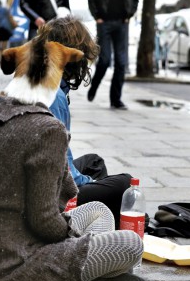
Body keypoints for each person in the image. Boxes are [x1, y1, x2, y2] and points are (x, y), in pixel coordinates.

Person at [0, 17, 150, 281]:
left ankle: (79, 278)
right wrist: (72, 235)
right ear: (61, 70)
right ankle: (71, 280)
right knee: (131, 244)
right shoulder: (48, 130)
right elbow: (44, 222)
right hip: (19, 265)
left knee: (98, 210)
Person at [50, 81, 132, 228]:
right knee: (126, 184)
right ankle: (92, 218)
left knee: (94, 162)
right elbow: (63, 168)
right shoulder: (55, 96)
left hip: (47, 178)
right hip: (50, 194)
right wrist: (91, 182)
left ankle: (100, 213)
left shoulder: (48, 89)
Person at [86, 0, 139, 110]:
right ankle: (94, 85)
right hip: (103, 22)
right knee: (104, 60)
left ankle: (116, 100)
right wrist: (96, 16)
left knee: (121, 63)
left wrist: (129, 14)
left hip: (122, 22)